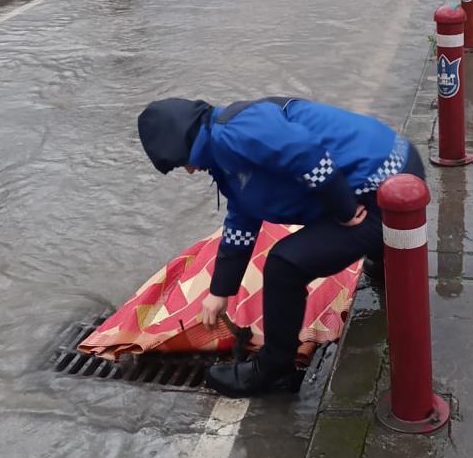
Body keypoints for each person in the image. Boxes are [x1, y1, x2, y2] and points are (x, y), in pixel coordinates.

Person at [137, 96, 425, 398]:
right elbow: (242, 217)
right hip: (388, 175)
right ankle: (383, 260)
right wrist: (220, 291)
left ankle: (274, 371)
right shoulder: (225, 143)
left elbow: (309, 156)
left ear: (185, 148)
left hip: (390, 194)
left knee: (284, 265)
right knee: (314, 231)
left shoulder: (239, 133)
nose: (189, 171)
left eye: (182, 163)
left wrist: (345, 209)